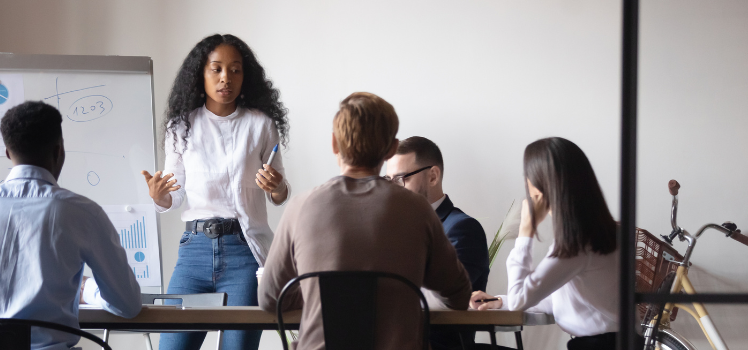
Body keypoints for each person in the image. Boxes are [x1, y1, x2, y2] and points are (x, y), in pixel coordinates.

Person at [259, 92, 472, 350]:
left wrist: (327, 299)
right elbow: (459, 296)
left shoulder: (301, 207)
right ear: (392, 148)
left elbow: (270, 299)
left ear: (334, 143)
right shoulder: (418, 209)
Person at [0, 101, 141, 350]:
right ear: (58, 151)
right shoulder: (83, 213)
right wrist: (87, 291)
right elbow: (127, 305)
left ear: (8, 154)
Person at [141, 34, 289, 350]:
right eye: (216, 69)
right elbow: (174, 195)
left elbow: (279, 194)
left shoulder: (260, 124)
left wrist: (277, 187)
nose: (226, 78)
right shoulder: (180, 126)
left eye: (235, 70)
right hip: (194, 251)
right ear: (201, 74)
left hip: (245, 252)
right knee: (172, 347)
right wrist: (160, 196)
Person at [470, 137, 635, 350]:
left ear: (543, 185)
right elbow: (560, 300)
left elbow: (522, 301)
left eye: (527, 177)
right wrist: (501, 301)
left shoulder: (577, 244)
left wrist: (525, 233)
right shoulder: (600, 233)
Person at [386, 136, 490, 350]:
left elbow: (446, 295)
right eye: (388, 181)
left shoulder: (463, 229)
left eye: (399, 179)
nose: (392, 190)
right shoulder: (391, 232)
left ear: (433, 176)